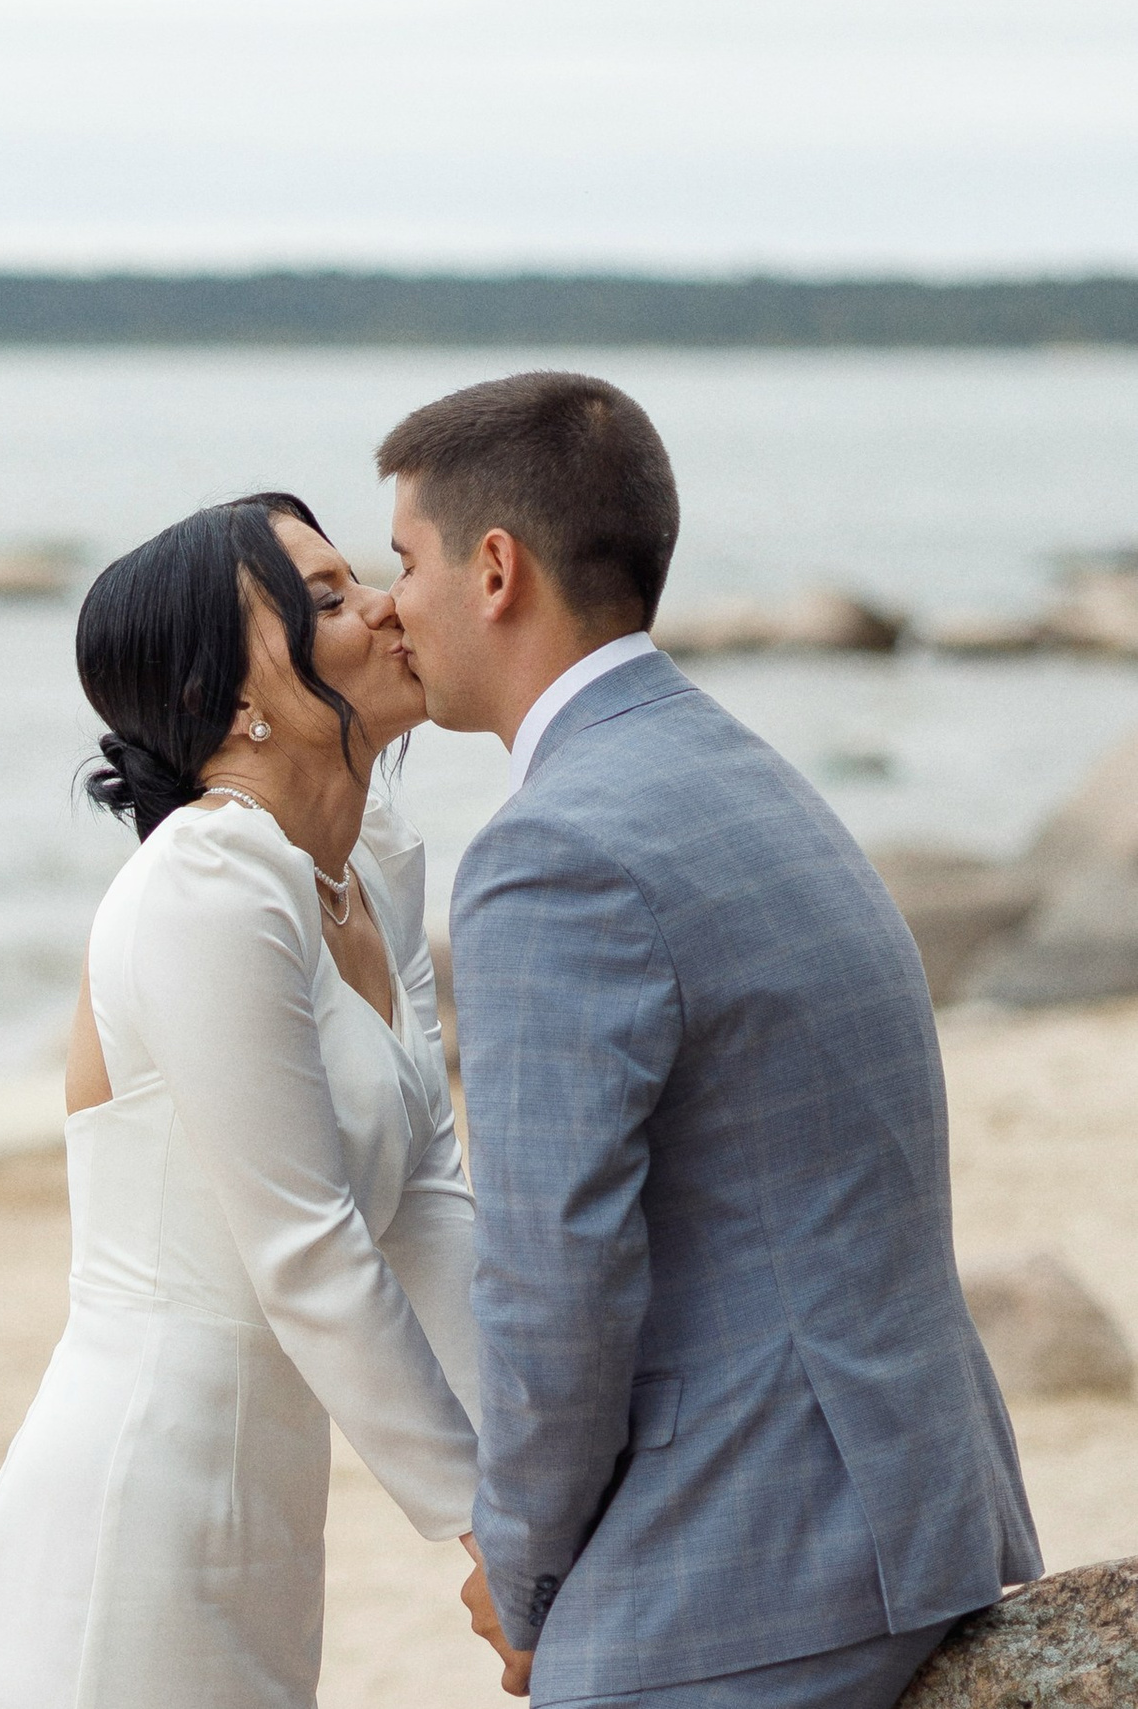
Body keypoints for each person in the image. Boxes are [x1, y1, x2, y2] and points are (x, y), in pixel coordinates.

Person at [381, 371, 1042, 1707]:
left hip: (766, 1551)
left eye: (400, 560)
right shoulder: (731, 768)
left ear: (492, 569)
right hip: (910, 1492)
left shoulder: (546, 851)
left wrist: (520, 1572)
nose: (387, 601)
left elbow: (557, 1277)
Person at [0, 492, 483, 1709]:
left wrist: (535, 1486)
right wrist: (485, 1527)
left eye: (358, 577)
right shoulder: (205, 880)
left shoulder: (366, 869)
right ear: (222, 695)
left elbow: (427, 1207)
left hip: (259, 1493)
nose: (382, 606)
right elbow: (305, 1249)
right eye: (320, 599)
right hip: (135, 1495)